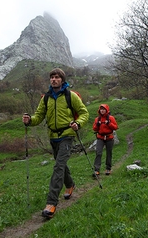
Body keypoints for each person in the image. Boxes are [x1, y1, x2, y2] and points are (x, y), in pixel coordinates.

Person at [22, 68, 89, 219]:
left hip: (67, 135)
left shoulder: (70, 96)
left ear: (62, 80)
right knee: (61, 164)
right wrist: (30, 120)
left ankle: (51, 203)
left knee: (58, 166)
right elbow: (39, 116)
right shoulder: (46, 98)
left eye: (57, 77)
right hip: (53, 136)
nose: (54, 79)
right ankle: (70, 185)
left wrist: (78, 123)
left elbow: (84, 112)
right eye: (52, 77)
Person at [92, 104, 118, 177]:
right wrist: (97, 124)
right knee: (98, 152)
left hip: (109, 137)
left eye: (104, 109)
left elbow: (115, 127)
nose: (102, 110)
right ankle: (96, 170)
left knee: (109, 153)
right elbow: (94, 128)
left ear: (106, 110)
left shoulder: (111, 118)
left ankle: (108, 168)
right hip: (100, 137)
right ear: (99, 110)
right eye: (101, 109)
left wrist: (109, 124)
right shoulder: (97, 119)